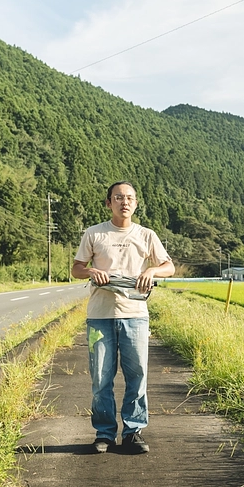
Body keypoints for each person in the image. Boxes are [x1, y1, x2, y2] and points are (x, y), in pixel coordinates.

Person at [71, 181, 174, 454]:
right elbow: (76, 268)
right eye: (118, 197)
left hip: (135, 316)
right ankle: (104, 434)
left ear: (136, 204)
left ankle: (133, 432)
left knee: (137, 375)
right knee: (100, 378)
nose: (124, 202)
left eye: (129, 198)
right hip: (99, 317)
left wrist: (151, 271)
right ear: (109, 203)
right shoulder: (94, 233)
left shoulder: (146, 235)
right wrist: (91, 271)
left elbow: (169, 266)